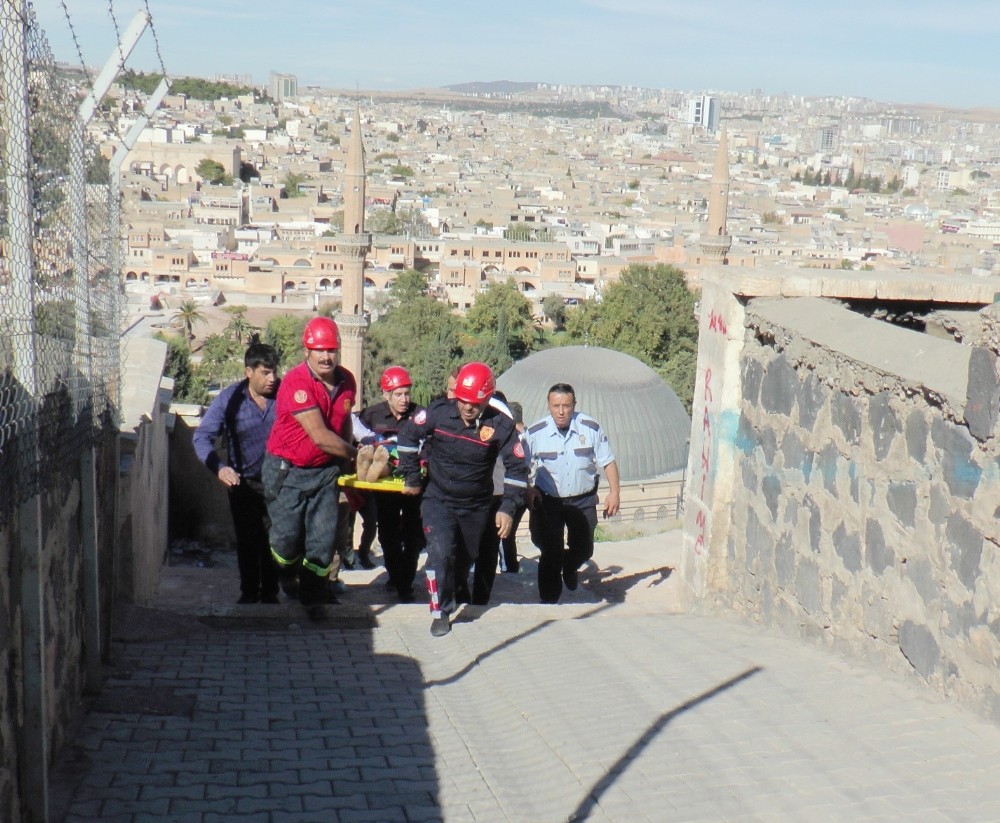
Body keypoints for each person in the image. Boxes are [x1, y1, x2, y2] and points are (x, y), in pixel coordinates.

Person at [397, 362, 528, 636]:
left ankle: (455, 588)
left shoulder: (500, 425)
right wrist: (410, 477)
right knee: (440, 553)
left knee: (464, 559)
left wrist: (507, 507)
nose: (468, 408)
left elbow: (517, 468)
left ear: (487, 399)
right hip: (438, 499)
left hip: (476, 506)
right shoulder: (437, 413)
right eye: (464, 401)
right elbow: (408, 437)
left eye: (476, 403)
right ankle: (440, 611)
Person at [262, 316, 358, 613]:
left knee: (323, 539)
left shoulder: (347, 382)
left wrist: (346, 463)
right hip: (287, 470)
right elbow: (319, 436)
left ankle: (314, 596)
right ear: (307, 352)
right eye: (320, 350)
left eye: (332, 350)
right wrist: (354, 454)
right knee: (286, 540)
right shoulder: (296, 382)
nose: (327, 356)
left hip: (325, 472)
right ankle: (286, 577)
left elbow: (342, 426)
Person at [192, 341, 281, 604]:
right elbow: (202, 437)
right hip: (243, 483)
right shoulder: (229, 399)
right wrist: (220, 469)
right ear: (248, 372)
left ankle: (272, 594)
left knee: (276, 539)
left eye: (274, 371)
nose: (272, 379)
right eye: (265, 373)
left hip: (281, 482)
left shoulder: (284, 395)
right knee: (249, 538)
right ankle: (249, 594)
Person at [525, 383, 620, 604]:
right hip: (549, 500)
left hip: (583, 499)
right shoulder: (535, 433)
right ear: (548, 405)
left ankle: (569, 565)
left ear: (574, 405)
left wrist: (614, 492)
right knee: (550, 551)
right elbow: (522, 466)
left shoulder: (590, 428)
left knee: (585, 549)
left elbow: (608, 461)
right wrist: (528, 489)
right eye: (556, 405)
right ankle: (549, 601)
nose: (561, 411)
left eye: (566, 406)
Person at [359, 366, 425, 603]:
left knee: (413, 535)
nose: (404, 399)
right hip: (384, 488)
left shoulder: (420, 415)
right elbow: (354, 431)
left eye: (407, 393)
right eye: (398, 394)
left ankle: (405, 583)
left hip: (413, 486)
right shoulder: (371, 415)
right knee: (388, 534)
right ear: (386, 395)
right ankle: (396, 576)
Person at [499, 401, 528, 574]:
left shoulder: (512, 437)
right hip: (532, 489)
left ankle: (509, 568)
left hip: (514, 489)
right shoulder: (533, 434)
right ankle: (510, 566)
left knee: (505, 532)